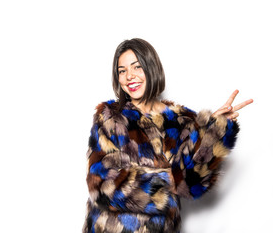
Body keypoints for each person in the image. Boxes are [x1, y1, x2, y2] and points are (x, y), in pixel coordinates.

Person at [82, 38, 253, 233]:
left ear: (151, 67)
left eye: (137, 67)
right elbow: (101, 184)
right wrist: (169, 180)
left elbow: (192, 183)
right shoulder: (110, 118)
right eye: (122, 71)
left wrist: (212, 130)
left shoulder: (182, 121)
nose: (129, 76)